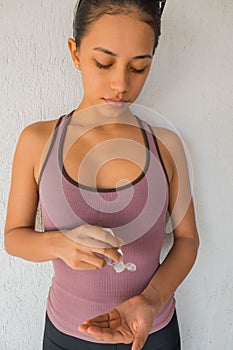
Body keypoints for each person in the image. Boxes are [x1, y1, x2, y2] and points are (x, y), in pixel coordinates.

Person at [4, 0, 199, 349]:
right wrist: (59, 244)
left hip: (152, 332)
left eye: (139, 68)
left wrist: (151, 300)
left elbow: (187, 240)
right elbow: (14, 238)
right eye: (104, 63)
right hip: (67, 334)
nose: (121, 84)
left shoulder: (166, 145)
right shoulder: (37, 141)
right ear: (75, 53)